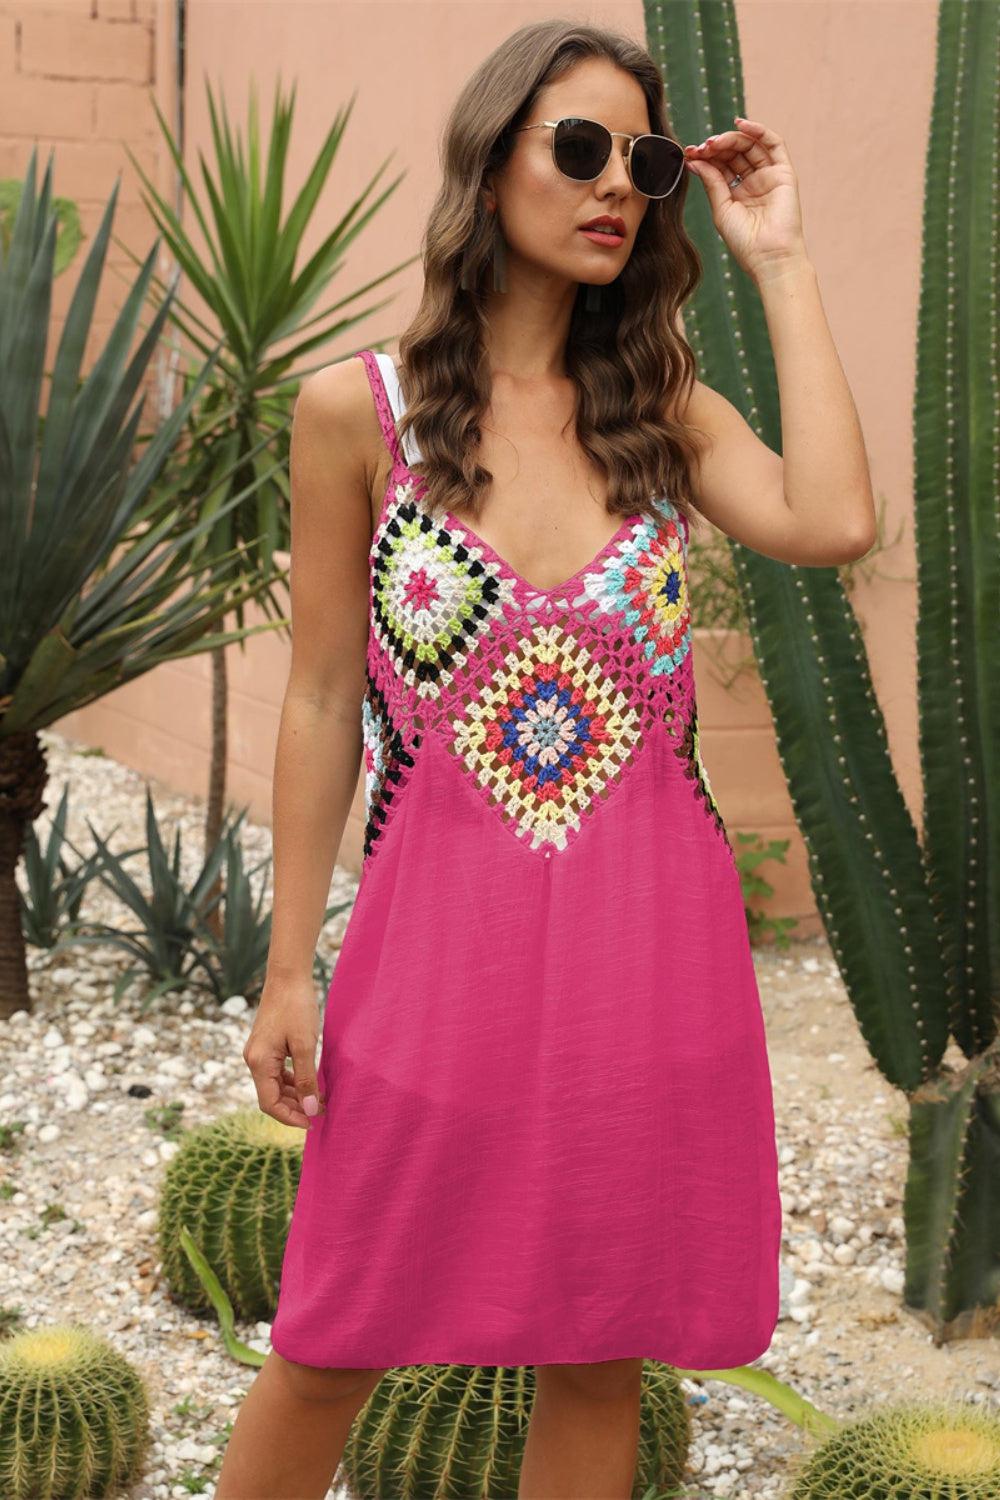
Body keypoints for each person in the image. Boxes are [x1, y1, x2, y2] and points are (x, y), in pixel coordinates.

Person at [215, 18, 876, 1500]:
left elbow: (834, 522)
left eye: (643, 163)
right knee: (333, 1329)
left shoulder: (662, 410)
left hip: (653, 952)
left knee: (597, 1342)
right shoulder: (356, 413)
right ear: (490, 159)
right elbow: (323, 700)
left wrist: (780, 260)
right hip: (430, 945)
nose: (617, 188)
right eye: (578, 149)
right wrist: (285, 967)